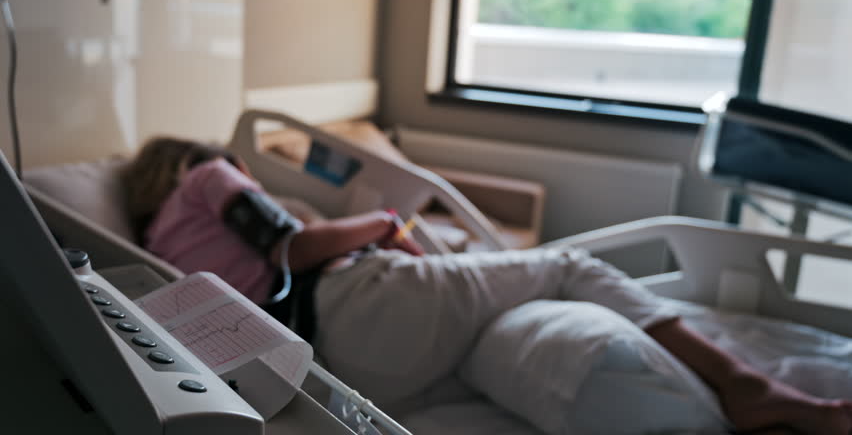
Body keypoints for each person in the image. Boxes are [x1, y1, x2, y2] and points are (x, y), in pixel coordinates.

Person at [122, 136, 852, 435]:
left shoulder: (151, 249)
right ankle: (744, 384)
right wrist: (379, 221)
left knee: (490, 360)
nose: (244, 177)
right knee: (570, 268)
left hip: (329, 367)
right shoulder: (208, 173)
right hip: (357, 303)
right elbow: (292, 245)